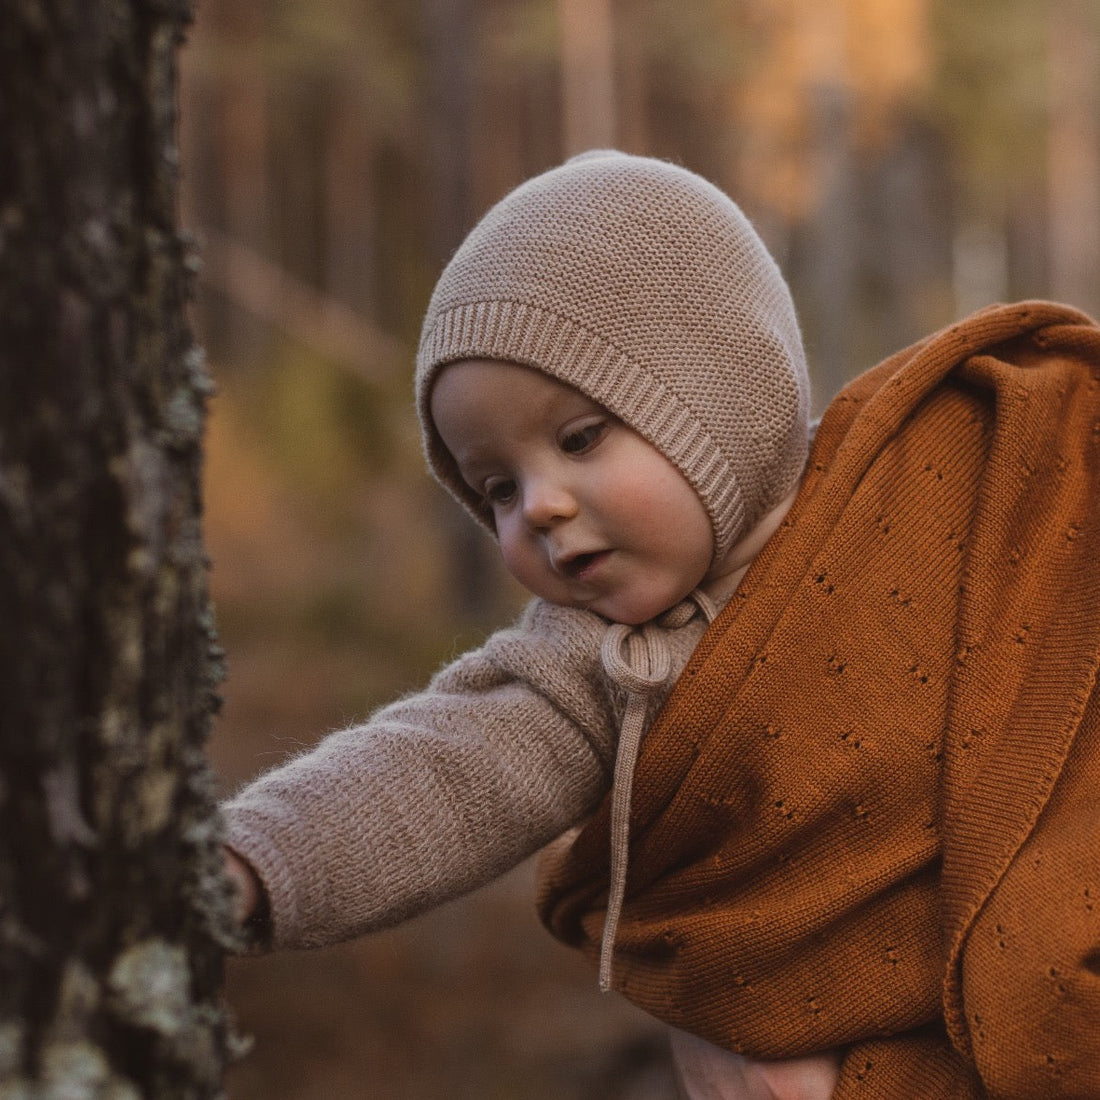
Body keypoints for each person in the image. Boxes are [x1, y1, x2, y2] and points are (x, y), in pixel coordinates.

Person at [222, 151, 1100, 1098]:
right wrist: (243, 864)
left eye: (580, 438)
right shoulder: (605, 661)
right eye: (497, 487)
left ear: (719, 386)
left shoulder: (940, 485)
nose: (540, 508)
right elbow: (439, 768)